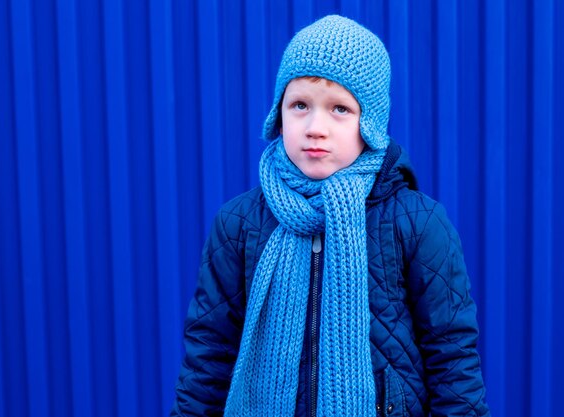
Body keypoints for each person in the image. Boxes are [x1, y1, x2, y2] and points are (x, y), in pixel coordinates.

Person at [170, 15, 490, 417]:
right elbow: (209, 354)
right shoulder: (239, 224)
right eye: (300, 105)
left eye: (340, 108)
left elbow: (452, 358)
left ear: (369, 123)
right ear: (279, 113)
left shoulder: (418, 223)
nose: (315, 127)